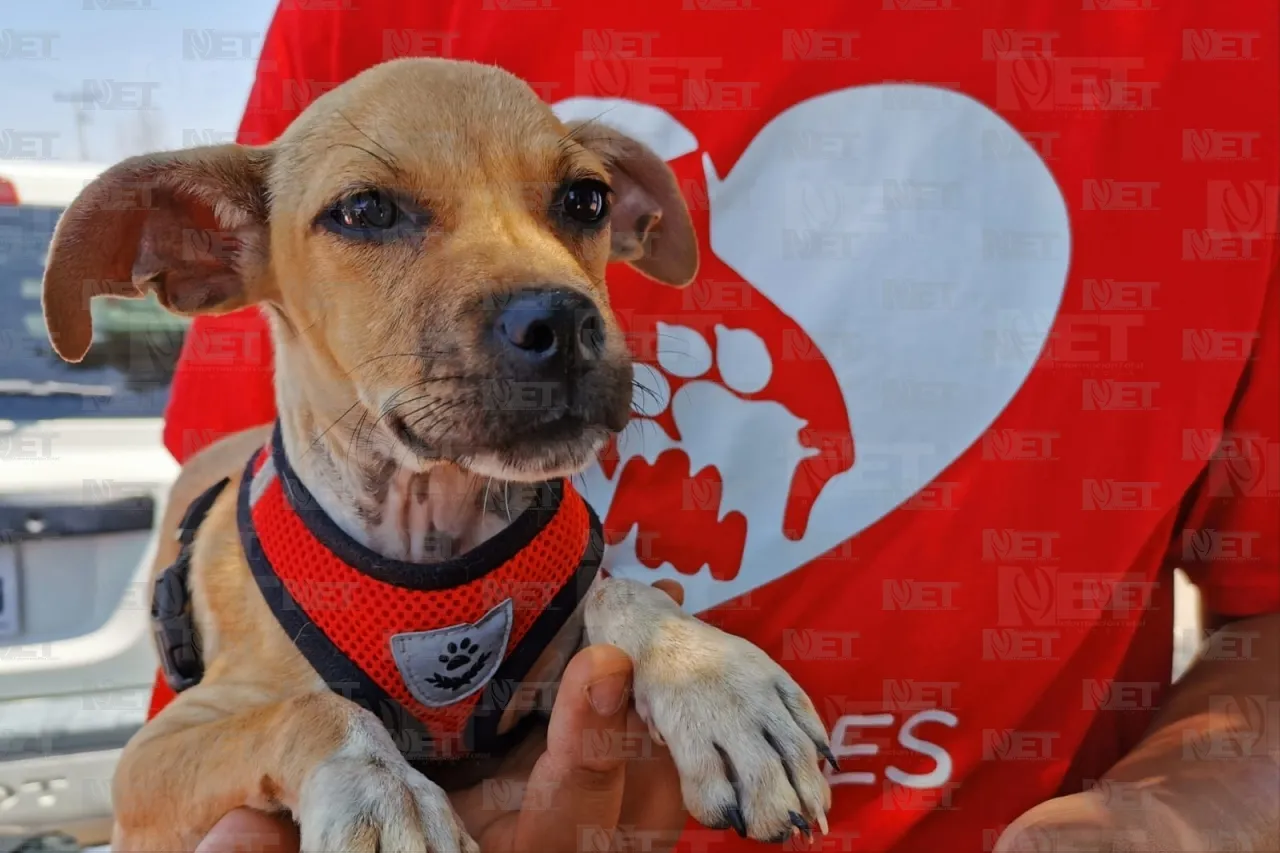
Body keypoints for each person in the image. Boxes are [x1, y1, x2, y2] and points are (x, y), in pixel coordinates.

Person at [158, 1, 1279, 851]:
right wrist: (286, 755)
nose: (548, 288)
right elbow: (224, 491)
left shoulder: (1229, 45)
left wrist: (1156, 822)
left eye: (578, 203)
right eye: (374, 212)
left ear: (637, 213)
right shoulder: (368, 32)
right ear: (207, 251)